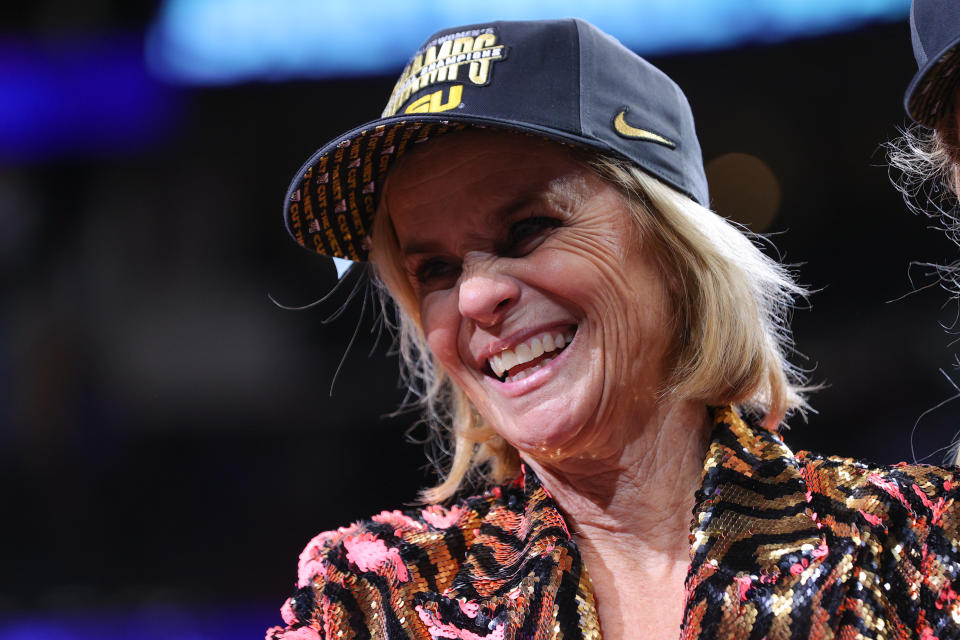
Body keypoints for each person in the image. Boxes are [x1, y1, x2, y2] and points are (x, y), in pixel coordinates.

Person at [270, 19, 960, 640]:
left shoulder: (917, 548)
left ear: (673, 248)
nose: (476, 295)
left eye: (528, 229)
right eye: (436, 270)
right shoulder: (368, 600)